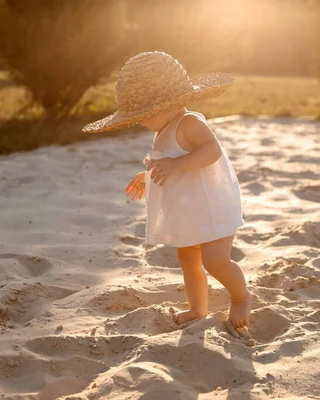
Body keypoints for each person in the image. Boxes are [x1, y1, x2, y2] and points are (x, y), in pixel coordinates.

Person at [83, 51, 252, 342]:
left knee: (214, 260)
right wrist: (147, 177)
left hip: (212, 205)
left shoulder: (189, 123)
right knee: (187, 258)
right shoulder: (162, 130)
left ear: (169, 104)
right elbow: (165, 162)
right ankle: (198, 308)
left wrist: (177, 165)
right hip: (189, 209)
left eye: (144, 114)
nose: (140, 122)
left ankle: (240, 298)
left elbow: (212, 151)